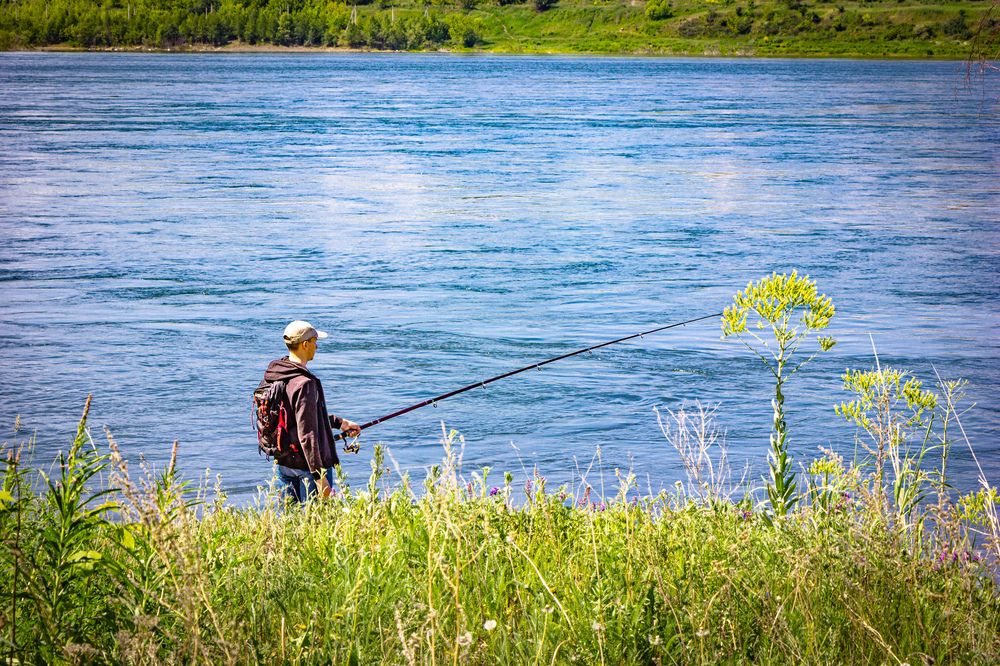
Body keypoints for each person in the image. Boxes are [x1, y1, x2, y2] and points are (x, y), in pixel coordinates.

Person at [261, 320, 360, 502]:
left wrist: (340, 423)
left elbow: (297, 416)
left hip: (283, 463)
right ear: (305, 344)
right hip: (308, 468)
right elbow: (307, 434)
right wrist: (320, 478)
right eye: (315, 341)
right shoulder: (305, 383)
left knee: (289, 523)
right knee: (317, 522)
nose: (317, 346)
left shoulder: (278, 373)